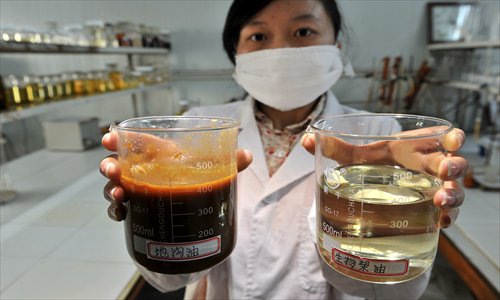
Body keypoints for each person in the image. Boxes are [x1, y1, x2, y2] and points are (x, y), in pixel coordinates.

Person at [100, 0, 468, 299]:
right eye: (258, 36)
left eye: (303, 31)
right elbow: (167, 280)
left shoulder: (379, 136)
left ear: (336, 48)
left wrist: (400, 223)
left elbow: (392, 292)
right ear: (237, 58)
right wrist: (148, 221)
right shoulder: (200, 127)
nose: (281, 50)